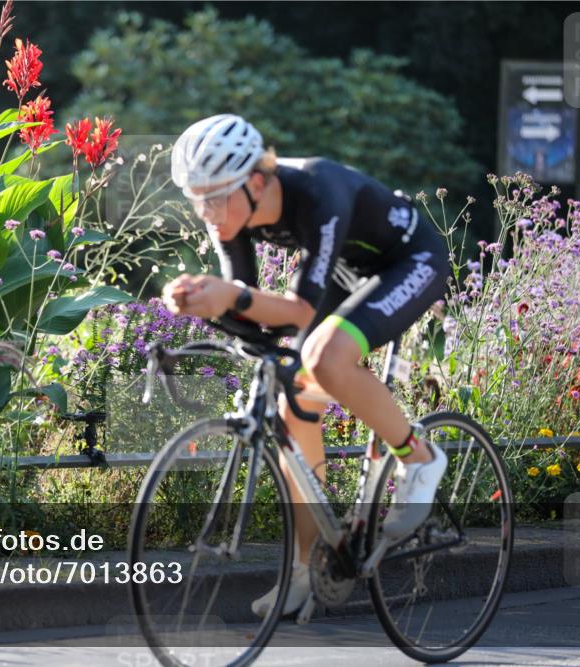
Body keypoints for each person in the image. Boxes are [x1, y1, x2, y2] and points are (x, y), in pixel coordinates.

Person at [162, 114, 452, 618]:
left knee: (323, 356)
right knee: (290, 399)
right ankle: (307, 568)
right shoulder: (230, 216)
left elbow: (294, 311)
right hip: (346, 269)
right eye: (195, 199)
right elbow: (251, 311)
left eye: (214, 196)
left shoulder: (319, 191)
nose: (205, 212)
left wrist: (231, 296)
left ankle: (418, 455)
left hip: (409, 261)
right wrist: (203, 302)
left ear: (255, 181)